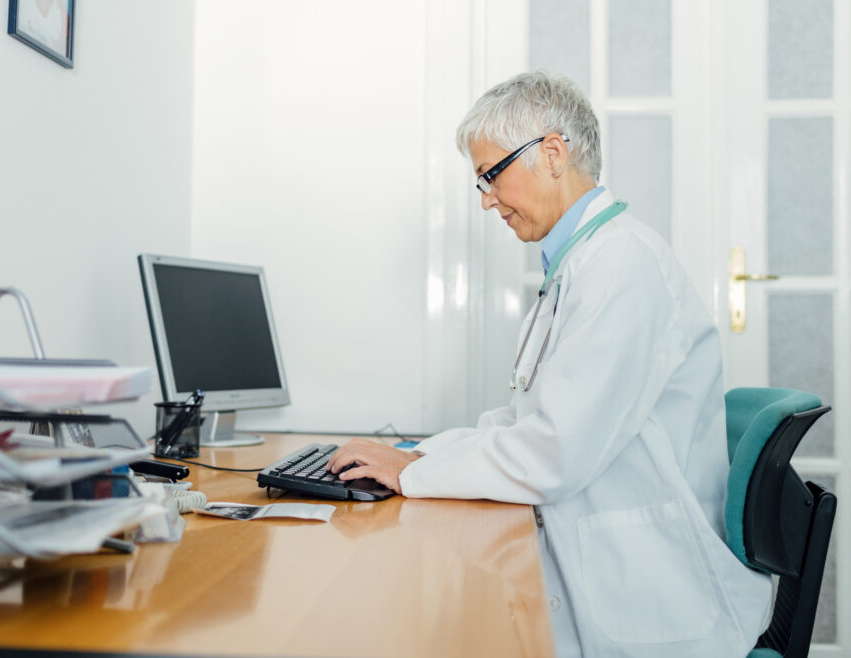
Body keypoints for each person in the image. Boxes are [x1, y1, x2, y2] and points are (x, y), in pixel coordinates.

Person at [327, 71, 771, 657]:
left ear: (553, 153)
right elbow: (523, 422)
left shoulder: (621, 266)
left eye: (491, 175)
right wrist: (416, 454)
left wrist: (407, 472)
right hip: (601, 565)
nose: (486, 198)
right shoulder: (578, 267)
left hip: (649, 593)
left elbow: (554, 452)